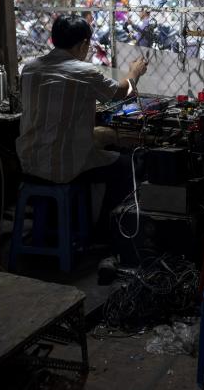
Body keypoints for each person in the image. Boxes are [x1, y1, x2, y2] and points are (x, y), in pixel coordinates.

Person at [16, 14, 148, 236]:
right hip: (63, 169)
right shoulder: (84, 72)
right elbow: (121, 93)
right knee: (129, 164)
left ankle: (53, 226)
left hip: (29, 163)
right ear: (83, 44)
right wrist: (135, 72)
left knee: (99, 139)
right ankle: (103, 233)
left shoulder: (30, 68)